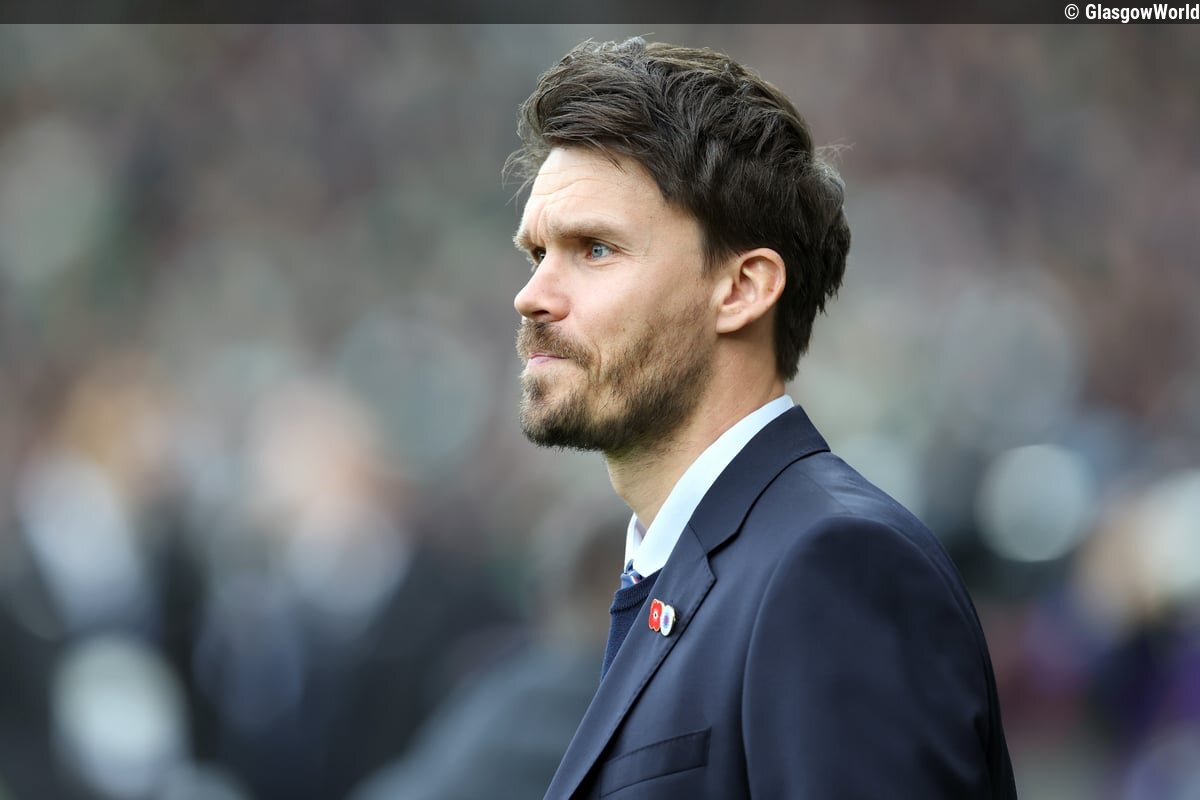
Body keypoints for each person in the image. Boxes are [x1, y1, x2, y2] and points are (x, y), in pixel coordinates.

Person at [506, 37, 1018, 799]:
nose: (533, 296)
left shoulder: (836, 567)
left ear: (743, 289)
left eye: (596, 249)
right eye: (536, 253)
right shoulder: (689, 569)